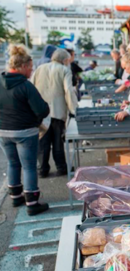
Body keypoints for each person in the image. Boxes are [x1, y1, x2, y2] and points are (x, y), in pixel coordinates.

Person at [0, 44, 50, 215]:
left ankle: (16, 197)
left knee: (12, 163)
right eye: (30, 67)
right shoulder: (26, 86)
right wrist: (35, 120)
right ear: (22, 67)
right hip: (25, 131)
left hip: (4, 131)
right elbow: (42, 110)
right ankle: (32, 203)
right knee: (29, 166)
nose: (31, 71)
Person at [32, 48, 78, 178]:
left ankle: (42, 169)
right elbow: (68, 91)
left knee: (43, 141)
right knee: (58, 141)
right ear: (64, 60)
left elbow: (32, 87)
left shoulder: (39, 68)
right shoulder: (64, 70)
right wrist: (73, 109)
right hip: (57, 111)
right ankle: (61, 167)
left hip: (41, 112)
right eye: (68, 60)